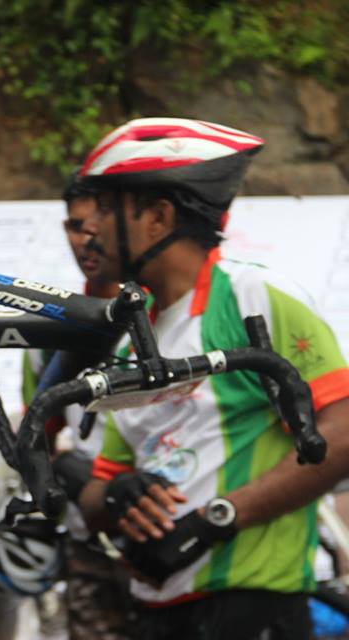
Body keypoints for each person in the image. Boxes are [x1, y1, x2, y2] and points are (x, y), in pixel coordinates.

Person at [75, 118, 349, 639]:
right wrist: (116, 498)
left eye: (107, 208)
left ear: (158, 217)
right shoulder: (131, 339)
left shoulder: (252, 298)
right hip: (157, 610)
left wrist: (215, 519)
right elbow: (97, 491)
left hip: (253, 605)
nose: (91, 227)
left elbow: (344, 431)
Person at [44, 173, 135, 640]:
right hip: (88, 541)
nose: (87, 238)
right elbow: (36, 430)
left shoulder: (164, 312)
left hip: (161, 528)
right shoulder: (51, 323)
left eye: (97, 223)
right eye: (76, 226)